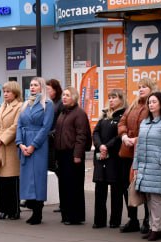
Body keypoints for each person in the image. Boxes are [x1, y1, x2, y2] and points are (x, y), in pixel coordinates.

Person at [133, 92, 161, 241]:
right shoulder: (144, 122)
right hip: (144, 166)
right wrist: (136, 165)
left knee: (155, 197)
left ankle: (156, 229)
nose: (151, 104)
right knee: (148, 197)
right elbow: (139, 146)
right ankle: (152, 227)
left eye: (154, 102)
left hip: (158, 166)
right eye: (149, 102)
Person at [116, 78, 155, 233]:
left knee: (144, 187)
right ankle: (133, 219)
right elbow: (122, 122)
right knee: (128, 186)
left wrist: (137, 139)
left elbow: (154, 127)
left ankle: (147, 219)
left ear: (151, 88)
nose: (140, 89)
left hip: (144, 151)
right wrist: (124, 136)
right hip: (127, 151)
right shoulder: (133, 104)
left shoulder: (153, 104)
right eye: (139, 87)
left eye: (144, 87)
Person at [17, 77, 57, 225]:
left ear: (42, 88)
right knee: (27, 178)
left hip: (38, 145)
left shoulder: (47, 104)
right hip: (25, 143)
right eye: (31, 85)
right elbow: (19, 125)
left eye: (36, 85)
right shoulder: (26, 104)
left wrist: (33, 145)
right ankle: (31, 205)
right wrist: (20, 143)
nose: (32, 88)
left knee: (38, 177)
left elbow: (46, 127)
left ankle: (38, 212)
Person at [52, 88, 90, 225]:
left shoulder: (79, 113)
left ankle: (75, 216)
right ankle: (66, 214)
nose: (64, 97)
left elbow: (82, 135)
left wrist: (78, 154)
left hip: (73, 154)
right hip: (62, 154)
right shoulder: (63, 113)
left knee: (73, 185)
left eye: (67, 95)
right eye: (63, 95)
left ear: (74, 98)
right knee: (64, 185)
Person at [92, 89, 127, 229]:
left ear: (121, 99)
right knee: (100, 188)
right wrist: (100, 145)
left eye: (114, 97)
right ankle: (99, 220)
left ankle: (115, 220)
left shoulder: (123, 115)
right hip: (101, 156)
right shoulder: (105, 115)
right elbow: (96, 132)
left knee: (116, 190)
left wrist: (108, 146)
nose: (111, 100)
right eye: (110, 97)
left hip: (115, 157)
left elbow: (120, 136)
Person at [0, 81, 23, 220]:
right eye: (4, 91)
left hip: (9, 148)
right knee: (0, 181)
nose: (5, 94)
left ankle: (14, 210)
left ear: (15, 92)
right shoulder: (1, 107)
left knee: (11, 180)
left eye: (8, 91)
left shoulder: (20, 107)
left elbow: (15, 127)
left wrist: (2, 139)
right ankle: (3, 209)